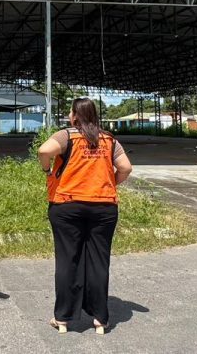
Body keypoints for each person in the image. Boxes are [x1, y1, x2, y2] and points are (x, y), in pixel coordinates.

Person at [37, 97, 133, 335]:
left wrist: (47, 169)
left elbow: (43, 150)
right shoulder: (109, 140)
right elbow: (126, 168)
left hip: (67, 205)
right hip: (104, 207)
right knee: (99, 261)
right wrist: (111, 183)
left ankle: (63, 318)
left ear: (74, 116)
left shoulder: (67, 135)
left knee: (68, 260)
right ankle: (100, 319)